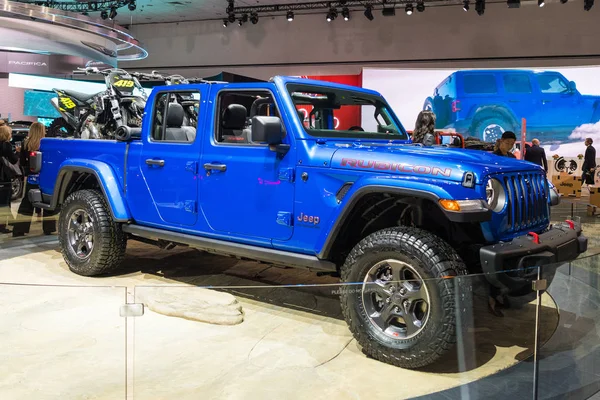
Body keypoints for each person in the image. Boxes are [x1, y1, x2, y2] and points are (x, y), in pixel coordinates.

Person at [12, 122, 56, 237]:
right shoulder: (46, 145)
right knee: (48, 202)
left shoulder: (25, 144)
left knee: (26, 203)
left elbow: (22, 163)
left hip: (31, 178)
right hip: (45, 178)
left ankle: (19, 230)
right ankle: (49, 229)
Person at [0, 120, 19, 234]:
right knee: (4, 202)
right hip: (3, 177)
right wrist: (17, 152)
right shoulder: (6, 145)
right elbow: (14, 160)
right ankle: (2, 226)